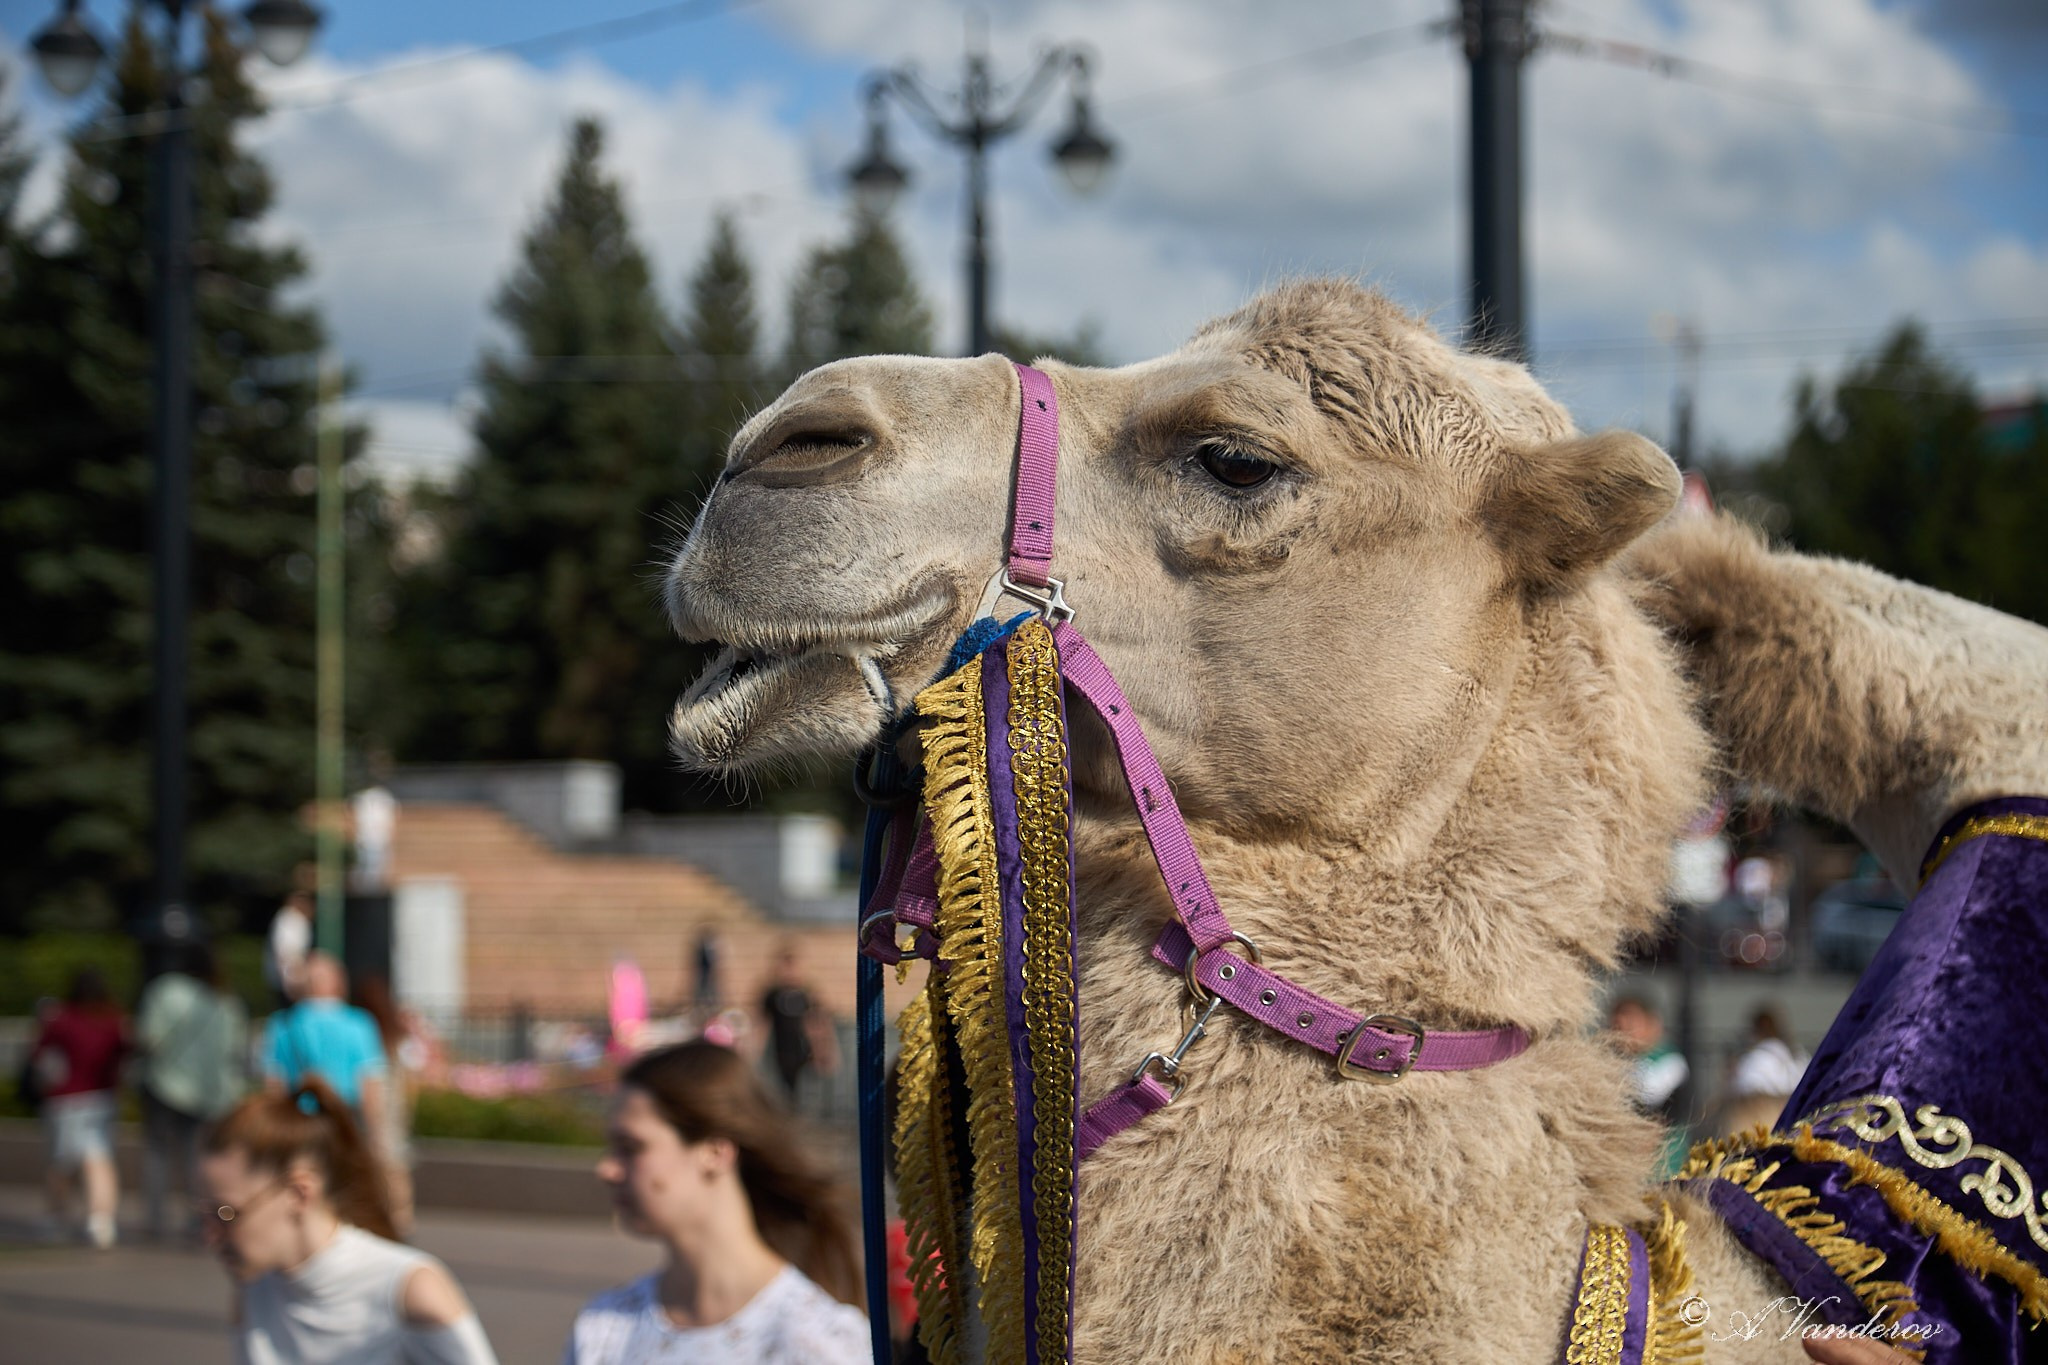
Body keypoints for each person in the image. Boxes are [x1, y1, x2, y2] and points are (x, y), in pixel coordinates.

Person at [563, 1040, 866, 1365]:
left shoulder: (817, 1339)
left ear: (715, 1152)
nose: (607, 1169)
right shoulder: (605, 1327)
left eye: (631, 1147)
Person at [199, 1080, 498, 1365]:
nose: (210, 1235)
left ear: (299, 1193)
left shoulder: (410, 1289)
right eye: (206, 1213)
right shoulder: (256, 1290)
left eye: (227, 1213)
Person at [137, 942, 249, 1242]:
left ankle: (155, 1220)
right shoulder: (224, 1000)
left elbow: (149, 1039)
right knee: (196, 1158)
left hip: (164, 1084)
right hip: (207, 1093)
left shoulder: (165, 990)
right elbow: (234, 1050)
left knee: (158, 1154)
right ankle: (197, 1220)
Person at [30, 966, 129, 1248]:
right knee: (99, 1159)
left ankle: (56, 1215)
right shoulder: (112, 1021)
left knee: (63, 1162)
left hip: (66, 1100)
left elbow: (40, 1057)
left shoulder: (62, 1020)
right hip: (102, 1099)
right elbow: (124, 1055)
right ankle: (101, 1220)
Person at [263, 953, 387, 1142]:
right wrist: (374, 1134)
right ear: (339, 982)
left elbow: (274, 1084)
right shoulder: (359, 1024)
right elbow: (370, 1084)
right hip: (344, 1120)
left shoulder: (281, 1024)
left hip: (297, 1123)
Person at [351, 973, 420, 1235]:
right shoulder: (395, 1033)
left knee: (380, 1162)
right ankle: (401, 1219)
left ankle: (388, 1220)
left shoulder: (365, 1032)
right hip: (394, 1104)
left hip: (377, 1101)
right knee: (395, 1165)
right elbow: (411, 1071)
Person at [1608, 993, 1690, 1177]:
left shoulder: (1670, 1062)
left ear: (1653, 1024)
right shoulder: (1615, 1061)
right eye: (1616, 1026)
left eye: (1630, 1025)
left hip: (1663, 1165)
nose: (1621, 1033)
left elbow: (1653, 1110)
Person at [1716, 1005, 1808, 1137]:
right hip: (1788, 1120)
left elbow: (1742, 1087)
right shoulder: (1796, 1056)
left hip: (1759, 1117)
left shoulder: (1757, 1059)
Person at [760, 948, 822, 1101]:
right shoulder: (773, 994)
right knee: (782, 1087)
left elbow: (815, 1023)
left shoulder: (805, 993)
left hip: (803, 1049)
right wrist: (755, 1050)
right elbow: (762, 1024)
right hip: (780, 1048)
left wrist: (820, 1049)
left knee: (806, 1089)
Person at [266, 891, 313, 1009]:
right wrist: (295, 977)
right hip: (289, 977)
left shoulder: (293, 919)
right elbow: (286, 952)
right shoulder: (289, 919)